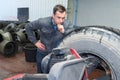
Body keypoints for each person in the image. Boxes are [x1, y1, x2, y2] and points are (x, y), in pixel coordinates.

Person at [25, 4, 73, 73]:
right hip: (43, 53)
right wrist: (35, 42)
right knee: (40, 74)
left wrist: (64, 31)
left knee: (55, 73)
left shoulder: (67, 24)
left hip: (58, 55)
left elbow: (72, 35)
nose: (61, 21)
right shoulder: (43, 22)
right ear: (53, 15)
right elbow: (28, 27)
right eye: (58, 17)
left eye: (63, 18)